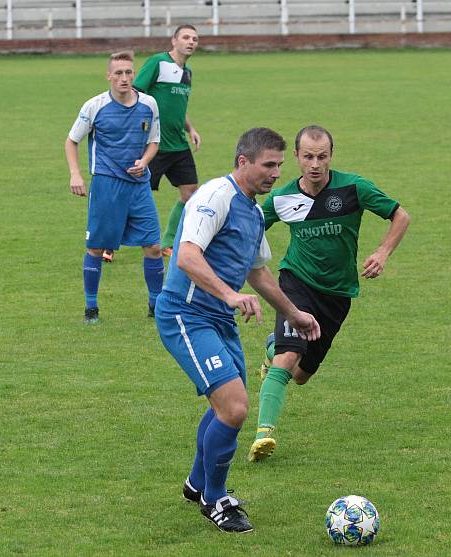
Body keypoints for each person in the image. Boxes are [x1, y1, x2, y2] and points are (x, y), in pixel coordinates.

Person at [155, 127, 321, 533]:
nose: (274, 173)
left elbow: (259, 273)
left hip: (217, 319)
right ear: (243, 161)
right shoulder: (216, 196)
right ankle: (216, 499)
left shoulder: (250, 210)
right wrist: (230, 295)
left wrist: (294, 313)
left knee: (227, 407)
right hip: (185, 313)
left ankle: (197, 484)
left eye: (279, 165)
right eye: (268, 165)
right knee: (234, 407)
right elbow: (187, 257)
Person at [248, 125, 410, 463]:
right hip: (296, 284)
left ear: (331, 156)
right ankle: (263, 433)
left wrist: (381, 253)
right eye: (308, 157)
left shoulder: (353, 188)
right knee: (288, 357)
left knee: (301, 375)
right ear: (296, 157)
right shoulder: (282, 198)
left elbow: (400, 216)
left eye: (322, 157)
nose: (315, 164)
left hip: (337, 294)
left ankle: (273, 344)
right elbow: (248, 226)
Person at [65, 51, 164, 324]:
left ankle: (156, 306)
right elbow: (71, 141)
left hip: (139, 186)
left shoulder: (149, 104)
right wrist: (76, 175)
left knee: (154, 246)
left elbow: (154, 141)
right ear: (109, 76)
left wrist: (144, 161)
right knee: (96, 248)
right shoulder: (94, 106)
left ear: (134, 75)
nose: (124, 78)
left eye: (128, 72)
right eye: (118, 73)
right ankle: (91, 308)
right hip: (106, 185)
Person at [133, 24, 202, 259]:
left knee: (190, 193)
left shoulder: (188, 72)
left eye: (194, 38)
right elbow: (135, 93)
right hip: (154, 145)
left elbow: (178, 107)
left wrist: (191, 128)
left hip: (179, 145)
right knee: (135, 193)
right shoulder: (157, 62)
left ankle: (168, 241)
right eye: (186, 37)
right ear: (174, 41)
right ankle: (109, 242)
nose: (191, 41)